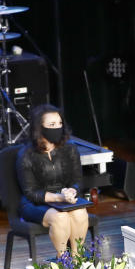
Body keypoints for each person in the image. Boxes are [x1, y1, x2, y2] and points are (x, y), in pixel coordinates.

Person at [17, 104, 90, 256]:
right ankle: (63, 262)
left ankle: (77, 260)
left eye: (59, 123)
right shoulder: (26, 154)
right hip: (35, 203)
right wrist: (59, 197)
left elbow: (77, 180)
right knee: (60, 218)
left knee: (80, 213)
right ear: (39, 127)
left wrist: (72, 191)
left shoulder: (70, 149)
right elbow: (31, 193)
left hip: (63, 198)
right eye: (52, 125)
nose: (57, 127)